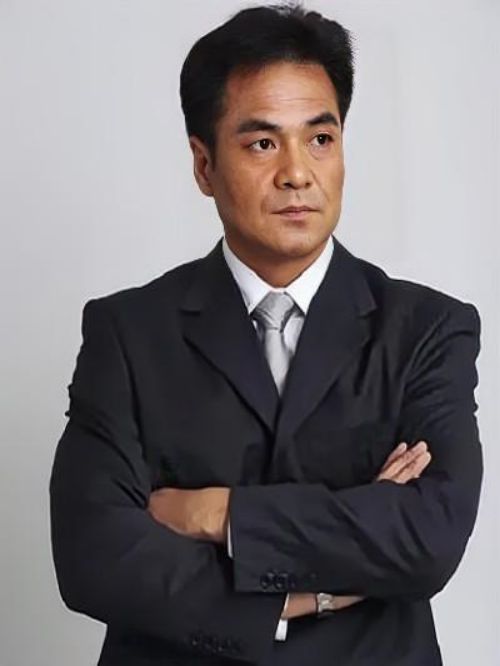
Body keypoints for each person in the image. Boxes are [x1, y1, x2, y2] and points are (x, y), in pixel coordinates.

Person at [49, 3, 483, 665]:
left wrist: (216, 513)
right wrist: (310, 590)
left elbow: (430, 536)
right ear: (204, 166)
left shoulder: (427, 329)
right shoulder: (129, 332)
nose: (297, 173)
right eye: (262, 143)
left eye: (321, 138)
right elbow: (93, 553)